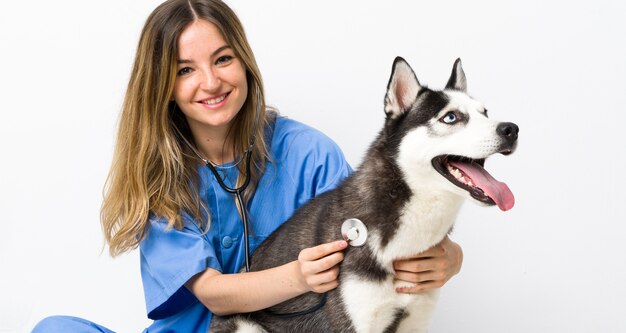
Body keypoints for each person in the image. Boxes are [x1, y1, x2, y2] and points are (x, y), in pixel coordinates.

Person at [32, 0, 463, 332]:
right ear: (162, 85)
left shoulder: (308, 153)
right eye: (185, 70)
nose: (211, 82)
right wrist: (298, 275)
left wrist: (450, 256)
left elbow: (374, 238)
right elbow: (216, 295)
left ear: (244, 62)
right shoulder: (161, 176)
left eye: (222, 59)